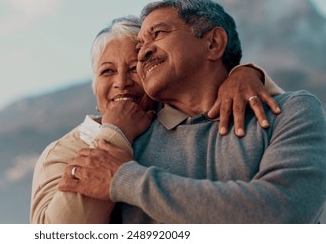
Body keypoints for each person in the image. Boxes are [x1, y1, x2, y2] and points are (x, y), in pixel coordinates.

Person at [58, 0, 326, 223]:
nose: (143, 53)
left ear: (213, 43)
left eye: (158, 33)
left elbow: (283, 212)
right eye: (140, 45)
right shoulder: (129, 140)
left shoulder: (288, 112)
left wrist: (125, 180)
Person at [31, 15, 283, 224]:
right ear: (95, 87)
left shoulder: (181, 126)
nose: (121, 83)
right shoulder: (63, 151)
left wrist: (247, 74)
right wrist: (115, 132)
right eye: (107, 71)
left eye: (133, 69)